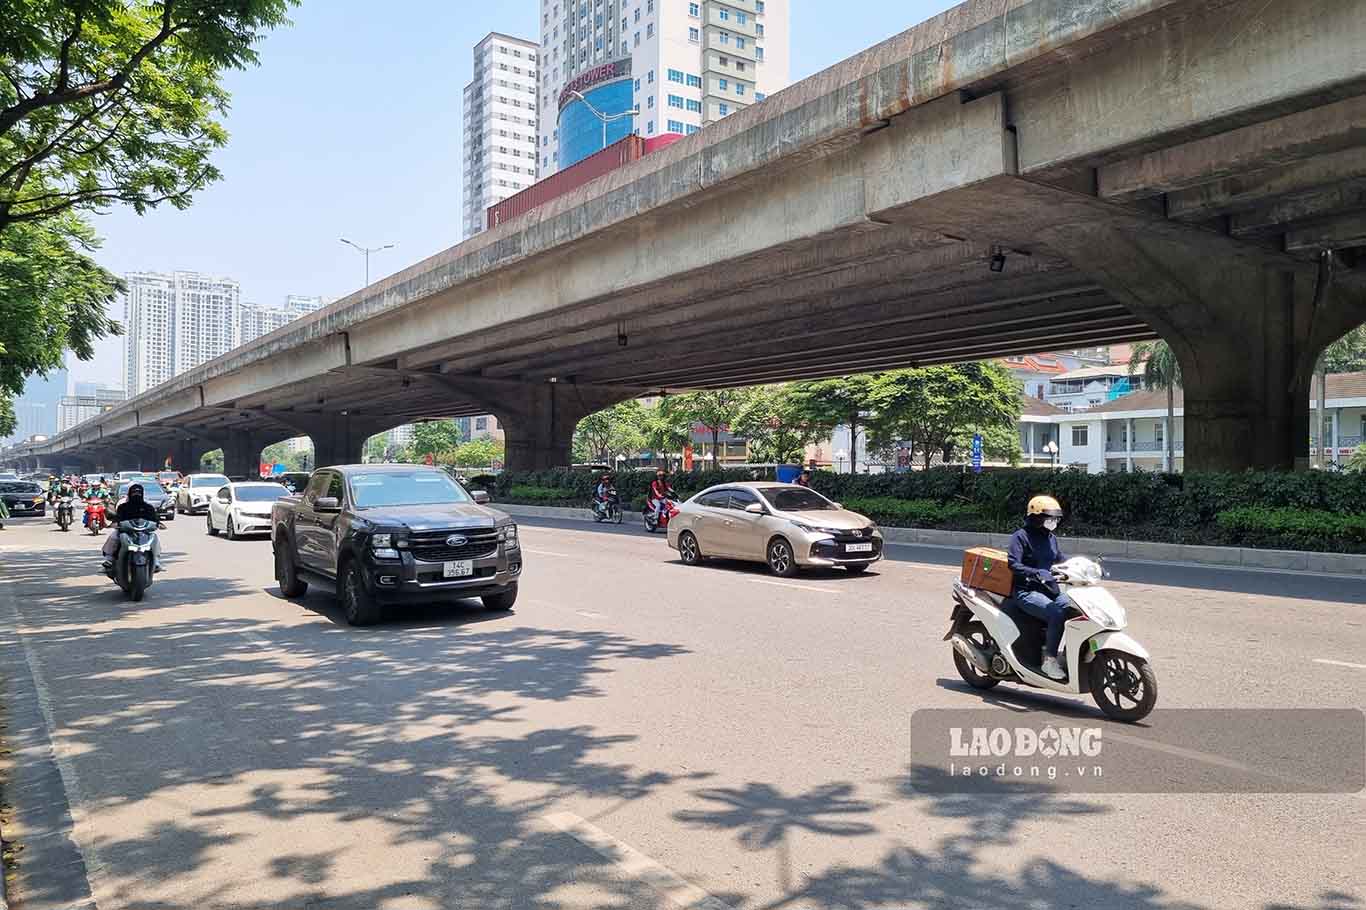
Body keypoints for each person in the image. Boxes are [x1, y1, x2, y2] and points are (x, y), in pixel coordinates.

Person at [1006, 494, 1071, 681]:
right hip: (1026, 591)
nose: (1053, 522)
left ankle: (1069, 654)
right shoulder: (1021, 537)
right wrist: (1036, 572)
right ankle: (1049, 660)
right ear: (1035, 517)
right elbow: (1013, 564)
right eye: (1048, 517)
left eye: (1055, 518)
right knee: (1056, 613)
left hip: (1050, 590)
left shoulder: (1051, 538)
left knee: (1076, 609)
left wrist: (1079, 566)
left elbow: (1059, 559)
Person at [101, 483, 164, 573]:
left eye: (138, 493)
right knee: (114, 536)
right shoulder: (123, 507)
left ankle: (156, 562)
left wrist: (158, 523)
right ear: (130, 494)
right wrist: (115, 523)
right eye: (134, 492)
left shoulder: (148, 507)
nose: (136, 495)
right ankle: (109, 560)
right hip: (126, 531)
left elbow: (154, 518)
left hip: (143, 531)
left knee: (155, 538)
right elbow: (118, 517)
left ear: (142, 494)